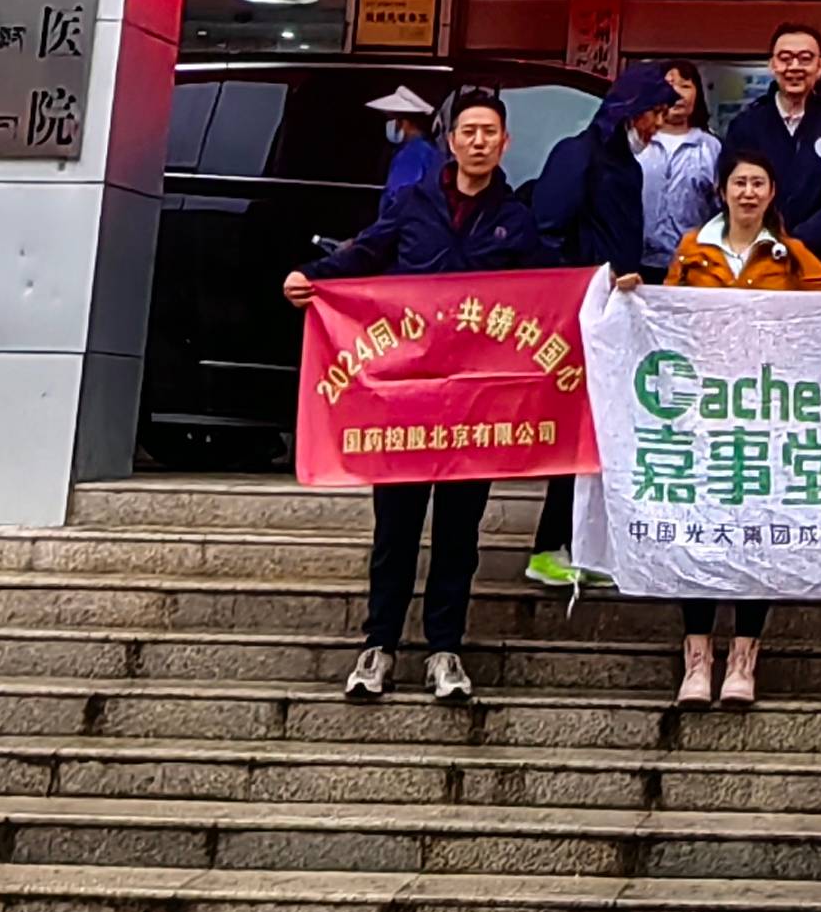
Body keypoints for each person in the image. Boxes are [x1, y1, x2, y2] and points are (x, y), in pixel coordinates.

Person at [290, 84, 547, 701]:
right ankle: (378, 646)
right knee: (395, 530)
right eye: (468, 132)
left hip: (475, 407)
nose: (479, 142)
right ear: (451, 141)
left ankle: (444, 651)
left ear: (505, 142)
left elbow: (550, 287)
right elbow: (366, 251)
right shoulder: (414, 203)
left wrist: (607, 290)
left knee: (459, 534)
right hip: (407, 400)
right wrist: (312, 278)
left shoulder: (517, 218)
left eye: (489, 133)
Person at [661, 149, 821, 704]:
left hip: (766, 414)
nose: (748, 193)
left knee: (756, 533)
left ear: (771, 194)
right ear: (722, 191)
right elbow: (663, 315)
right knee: (698, 530)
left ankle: (744, 658)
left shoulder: (789, 255)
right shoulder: (692, 250)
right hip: (703, 413)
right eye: (739, 183)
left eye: (758, 183)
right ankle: (697, 659)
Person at [523, 65, 688, 588]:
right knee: (574, 429)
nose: (658, 124)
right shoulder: (578, 155)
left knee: (599, 432)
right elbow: (547, 231)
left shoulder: (624, 164)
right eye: (654, 112)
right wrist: (582, 284)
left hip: (613, 314)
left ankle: (585, 546)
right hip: (578, 314)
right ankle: (547, 546)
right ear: (630, 111)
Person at [720, 25, 821, 272]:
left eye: (805, 59)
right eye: (785, 58)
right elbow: (732, 190)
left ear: (820, 66)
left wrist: (793, 242)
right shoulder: (746, 124)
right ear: (772, 65)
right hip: (757, 257)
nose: (794, 67)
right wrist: (767, 240)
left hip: (819, 260)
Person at [638, 83, 725, 277]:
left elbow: (721, 208)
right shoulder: (638, 141)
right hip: (637, 262)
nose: (676, 93)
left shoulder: (711, 146)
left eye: (685, 86)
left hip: (695, 262)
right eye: (669, 85)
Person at [367, 85, 444, 213]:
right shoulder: (428, 149)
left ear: (403, 122)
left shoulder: (413, 154)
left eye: (392, 119)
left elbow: (399, 198)